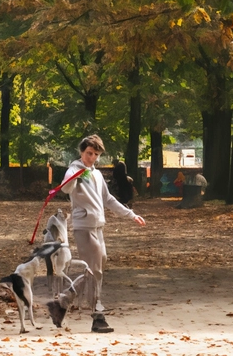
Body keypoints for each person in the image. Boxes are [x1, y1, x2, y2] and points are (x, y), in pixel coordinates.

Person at [46, 135, 145, 333]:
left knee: (96, 267)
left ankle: (61, 303)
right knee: (95, 271)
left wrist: (131, 214)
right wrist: (74, 176)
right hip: (84, 226)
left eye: (96, 154)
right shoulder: (74, 170)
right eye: (89, 153)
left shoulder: (96, 175)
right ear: (82, 152)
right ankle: (98, 316)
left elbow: (108, 199)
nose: (92, 158)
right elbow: (66, 188)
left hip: (98, 226)